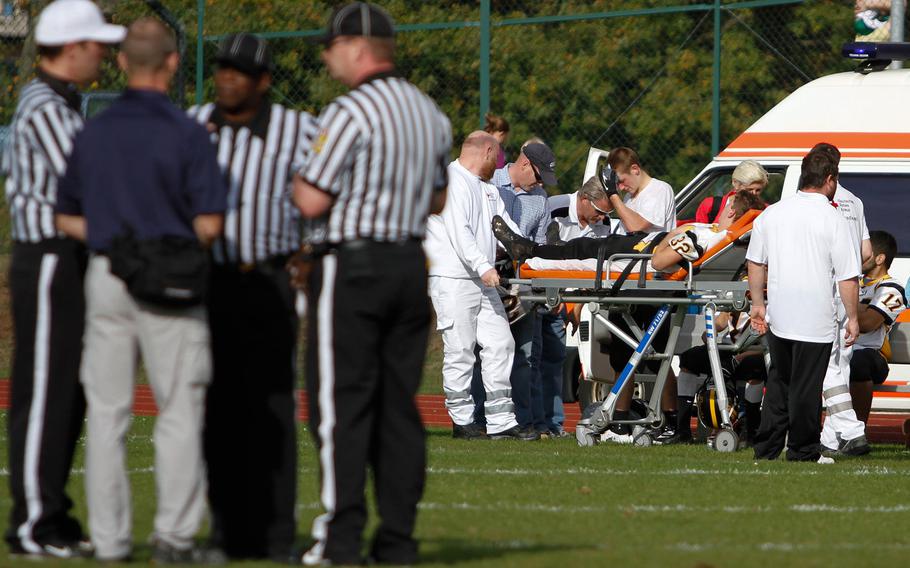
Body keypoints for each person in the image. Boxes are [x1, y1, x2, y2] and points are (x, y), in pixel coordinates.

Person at [54, 18, 227, 562]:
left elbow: (64, 217)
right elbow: (212, 223)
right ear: (173, 63)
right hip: (171, 278)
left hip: (109, 272)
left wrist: (118, 241)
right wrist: (167, 243)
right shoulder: (187, 132)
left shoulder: (93, 131)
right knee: (179, 408)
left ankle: (109, 541)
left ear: (122, 63)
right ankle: (173, 538)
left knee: (107, 412)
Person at [291, 3, 452, 565]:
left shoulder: (349, 112)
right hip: (409, 265)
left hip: (351, 266)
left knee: (339, 404)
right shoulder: (429, 113)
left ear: (356, 48)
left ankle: (339, 537)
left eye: (331, 45)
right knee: (396, 406)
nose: (326, 55)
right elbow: (437, 198)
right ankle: (398, 537)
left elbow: (312, 197)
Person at [187, 33, 317, 562]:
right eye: (222, 68)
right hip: (210, 280)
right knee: (218, 408)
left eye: (239, 70)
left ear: (263, 81)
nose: (226, 78)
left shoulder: (298, 129)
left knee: (274, 406)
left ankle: (277, 533)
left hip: (270, 281)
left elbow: (332, 189)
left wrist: (310, 252)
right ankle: (225, 532)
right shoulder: (195, 125)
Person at [2, 0, 124, 558]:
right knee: (47, 391)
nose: (103, 52)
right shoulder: (47, 107)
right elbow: (88, 186)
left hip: (64, 255)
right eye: (96, 43)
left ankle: (50, 510)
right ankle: (32, 520)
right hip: (50, 257)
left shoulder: (57, 103)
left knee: (64, 391)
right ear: (72, 48)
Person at [746, 148, 861, 464]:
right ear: (829, 179)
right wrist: (853, 318)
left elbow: (755, 261)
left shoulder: (773, 213)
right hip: (816, 317)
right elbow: (848, 277)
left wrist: (758, 303)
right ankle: (802, 450)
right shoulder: (833, 217)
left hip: (779, 314)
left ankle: (766, 449)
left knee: (779, 383)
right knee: (806, 389)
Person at [424, 132, 535, 440]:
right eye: (497, 158)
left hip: (480, 278)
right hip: (454, 278)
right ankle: (462, 421)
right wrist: (484, 267)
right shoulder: (450, 180)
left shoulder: (487, 189)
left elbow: (506, 229)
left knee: (501, 342)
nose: (498, 165)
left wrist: (534, 253)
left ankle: (501, 421)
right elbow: (460, 231)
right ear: (487, 151)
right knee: (460, 349)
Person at [493, 190, 764, 271]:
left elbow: (660, 261)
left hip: (639, 254)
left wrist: (675, 238)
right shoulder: (717, 233)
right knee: (586, 246)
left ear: (730, 210)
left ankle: (528, 251)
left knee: (582, 249)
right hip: (640, 245)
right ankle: (526, 249)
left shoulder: (706, 236)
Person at [812, 143, 874, 456]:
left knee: (825, 366)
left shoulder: (817, 202)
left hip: (820, 288)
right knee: (840, 365)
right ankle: (831, 439)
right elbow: (866, 253)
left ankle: (849, 430)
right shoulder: (855, 201)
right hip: (850, 289)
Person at [492, 142, 558, 432]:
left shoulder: (541, 199)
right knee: (487, 351)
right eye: (539, 175)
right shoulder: (490, 183)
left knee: (527, 355)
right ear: (524, 164)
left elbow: (541, 246)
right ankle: (482, 420)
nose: (541, 183)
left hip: (522, 285)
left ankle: (524, 421)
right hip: (488, 277)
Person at [849, 231, 907, 423]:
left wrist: (845, 304)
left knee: (858, 361)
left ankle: (857, 431)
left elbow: (866, 324)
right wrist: (862, 307)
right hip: (842, 351)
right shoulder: (848, 284)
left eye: (864, 252)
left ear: (880, 258)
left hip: (873, 356)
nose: (858, 256)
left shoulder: (892, 288)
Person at [604, 146, 676, 235]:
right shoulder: (628, 197)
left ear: (635, 169)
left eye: (621, 181)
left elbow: (636, 226)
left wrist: (613, 195)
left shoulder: (659, 189)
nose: (621, 188)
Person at [694, 160, 768, 223]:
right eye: (749, 189)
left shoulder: (766, 210)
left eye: (758, 190)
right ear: (735, 183)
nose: (754, 193)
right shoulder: (710, 206)